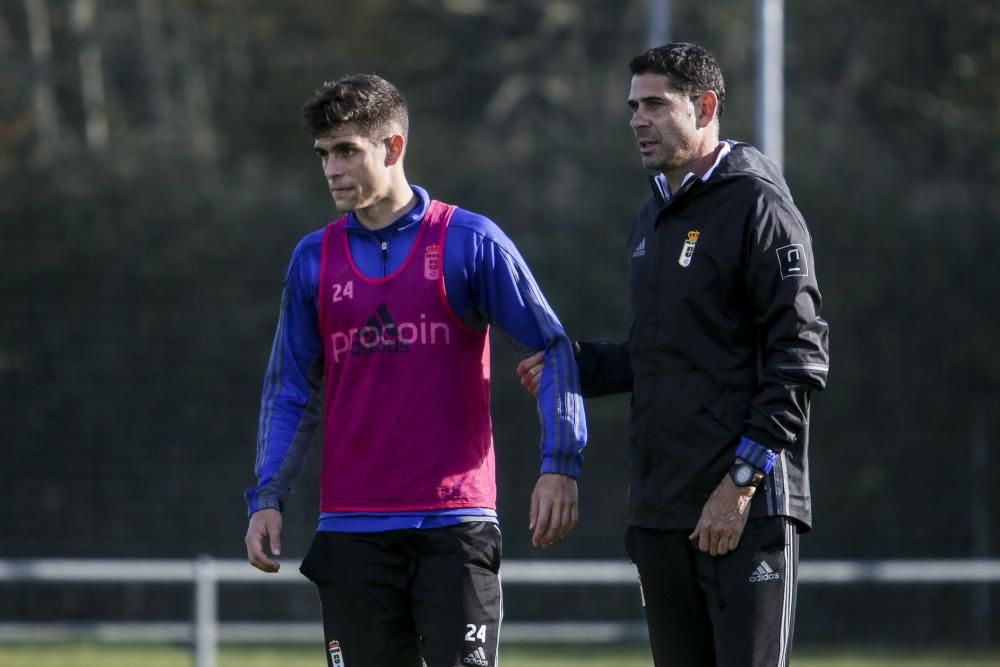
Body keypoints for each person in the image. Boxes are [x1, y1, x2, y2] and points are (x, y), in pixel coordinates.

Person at [244, 74, 587, 667]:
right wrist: (266, 496)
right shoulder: (312, 261)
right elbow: (291, 392)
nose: (331, 169)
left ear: (393, 147)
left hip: (454, 523)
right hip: (351, 531)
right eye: (323, 154)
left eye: (347, 150)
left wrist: (560, 463)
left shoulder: (469, 242)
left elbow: (551, 350)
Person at [517, 43, 829, 666]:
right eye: (633, 106)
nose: (637, 119)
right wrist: (577, 364)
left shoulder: (758, 206)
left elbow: (801, 355)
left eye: (655, 104)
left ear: (706, 106)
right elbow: (661, 354)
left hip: (746, 509)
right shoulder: (653, 213)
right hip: (663, 513)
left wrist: (740, 484)